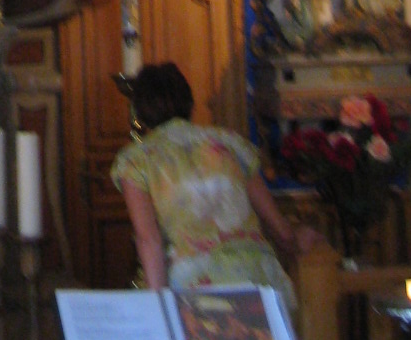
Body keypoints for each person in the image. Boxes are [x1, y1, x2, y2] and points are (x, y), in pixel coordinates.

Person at [113, 63, 316, 303]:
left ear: (140, 110)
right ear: (189, 102)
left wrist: (160, 306)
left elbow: (149, 240)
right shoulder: (231, 144)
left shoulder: (136, 160)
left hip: (193, 287)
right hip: (257, 283)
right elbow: (278, 228)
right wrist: (298, 239)